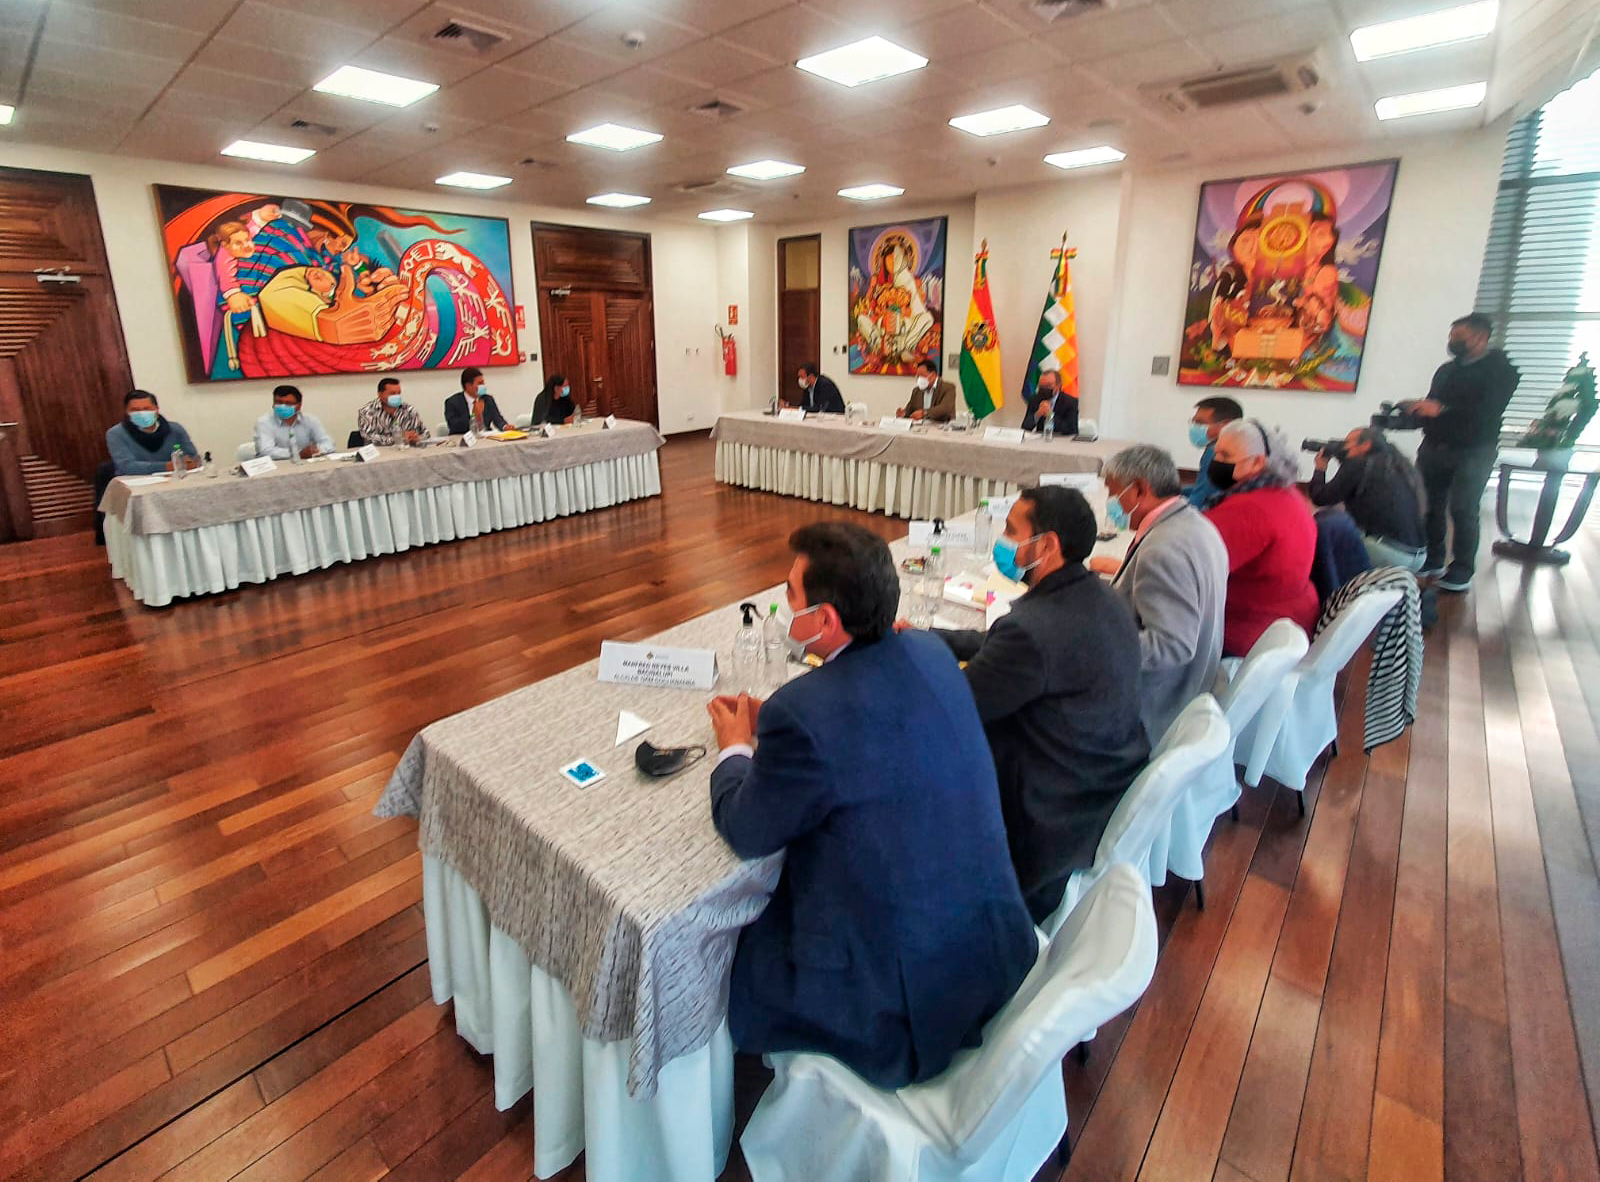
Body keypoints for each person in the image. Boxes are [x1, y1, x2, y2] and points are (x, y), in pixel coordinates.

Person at [706, 522, 1036, 1089]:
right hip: (991, 949)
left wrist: (734, 748)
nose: (783, 604)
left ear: (827, 621)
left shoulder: (803, 711)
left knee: (727, 948)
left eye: (790, 594)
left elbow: (747, 828)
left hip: (900, 1006)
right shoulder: (929, 652)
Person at [921, 486, 1150, 924]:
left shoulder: (1032, 629)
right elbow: (1006, 647)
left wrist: (906, 666)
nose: (1003, 542)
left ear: (1047, 545)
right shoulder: (1099, 596)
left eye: (1011, 531)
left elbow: (956, 709)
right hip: (1099, 778)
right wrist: (932, 638)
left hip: (1045, 815)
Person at [1092, 445, 1229, 743]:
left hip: (1159, 704)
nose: (1111, 502)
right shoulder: (1197, 523)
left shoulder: (1162, 550)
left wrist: (1098, 644)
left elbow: (1172, 646)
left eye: (1113, 492)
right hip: (1198, 678)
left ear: (1139, 489)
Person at [1404, 313, 1520, 591]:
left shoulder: (1501, 372)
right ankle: (1432, 558)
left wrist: (1442, 409)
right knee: (1428, 506)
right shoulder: (1446, 371)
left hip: (1474, 451)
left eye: (1458, 336)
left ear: (1480, 337)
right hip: (1434, 447)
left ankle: (1462, 569)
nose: (1452, 341)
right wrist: (1415, 411)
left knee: (1463, 508)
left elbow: (1488, 412)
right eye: (1451, 336)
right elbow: (1432, 405)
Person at [1203, 419, 1319, 656]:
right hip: (1289, 619)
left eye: (1225, 456)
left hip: (1249, 628)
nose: (1216, 462)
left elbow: (1191, 568)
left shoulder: (1247, 510)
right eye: (1216, 453)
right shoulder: (1287, 492)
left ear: (1257, 462)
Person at [1309, 427, 1427, 571]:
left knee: (1326, 529)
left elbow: (1320, 498)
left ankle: (1333, 583)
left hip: (1390, 555)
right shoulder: (1398, 465)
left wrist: (1320, 469)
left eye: (1347, 443)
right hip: (1419, 556)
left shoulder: (1359, 465)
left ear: (1365, 445)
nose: (1343, 446)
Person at [106, 390, 199, 476]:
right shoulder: (116, 434)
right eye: (135, 410)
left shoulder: (175, 429)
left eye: (146, 409)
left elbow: (192, 457)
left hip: (176, 479)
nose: (142, 413)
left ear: (156, 409)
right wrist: (168, 466)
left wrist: (188, 463)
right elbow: (127, 466)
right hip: (136, 482)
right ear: (127, 412)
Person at [1185, 396, 1244, 507]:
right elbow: (1205, 487)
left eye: (1200, 423)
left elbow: (1198, 502)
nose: (1194, 427)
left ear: (1226, 425)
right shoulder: (1244, 445)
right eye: (1193, 422)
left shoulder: (1217, 453)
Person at [254, 384, 333, 460]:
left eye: (288, 403)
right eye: (279, 402)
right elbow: (265, 451)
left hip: (306, 465)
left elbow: (329, 444)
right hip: (277, 466)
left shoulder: (310, 420)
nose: (283, 406)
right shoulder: (264, 423)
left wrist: (316, 450)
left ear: (299, 406)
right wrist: (298, 453)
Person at [356, 377, 429, 447]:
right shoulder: (367, 412)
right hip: (379, 453)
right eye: (392, 393)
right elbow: (370, 438)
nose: (397, 396)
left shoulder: (409, 410)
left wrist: (417, 437)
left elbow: (425, 433)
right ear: (380, 394)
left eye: (399, 393)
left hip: (408, 451)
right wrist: (399, 438)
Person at [444, 367, 509, 435]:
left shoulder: (487, 399)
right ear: (468, 386)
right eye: (480, 383)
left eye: (483, 382)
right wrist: (473, 415)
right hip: (463, 437)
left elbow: (498, 419)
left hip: (485, 436)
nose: (483, 386)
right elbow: (454, 426)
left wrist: (505, 427)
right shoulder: (452, 402)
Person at [1020, 368, 1078, 436]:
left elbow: (1072, 430)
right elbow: (1025, 427)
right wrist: (1037, 414)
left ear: (1058, 386)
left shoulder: (1071, 402)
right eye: (1041, 386)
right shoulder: (1035, 400)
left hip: (1061, 440)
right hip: (1041, 440)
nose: (1044, 389)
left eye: (1048, 386)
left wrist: (1050, 415)